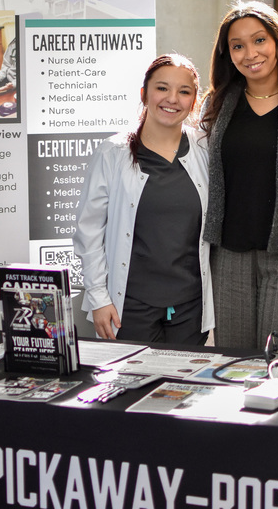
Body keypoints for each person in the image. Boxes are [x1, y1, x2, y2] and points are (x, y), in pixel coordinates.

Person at [201, 0, 278, 351]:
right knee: (233, 363)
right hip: (229, 254)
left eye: (259, 40)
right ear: (228, 54)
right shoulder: (217, 103)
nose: (250, 53)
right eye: (237, 46)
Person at [73, 53, 214, 344]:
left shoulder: (205, 149)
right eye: (162, 88)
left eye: (184, 92)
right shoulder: (113, 152)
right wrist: (98, 298)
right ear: (144, 94)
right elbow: (89, 232)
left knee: (186, 375)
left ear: (193, 101)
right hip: (128, 308)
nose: (172, 99)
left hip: (190, 307)